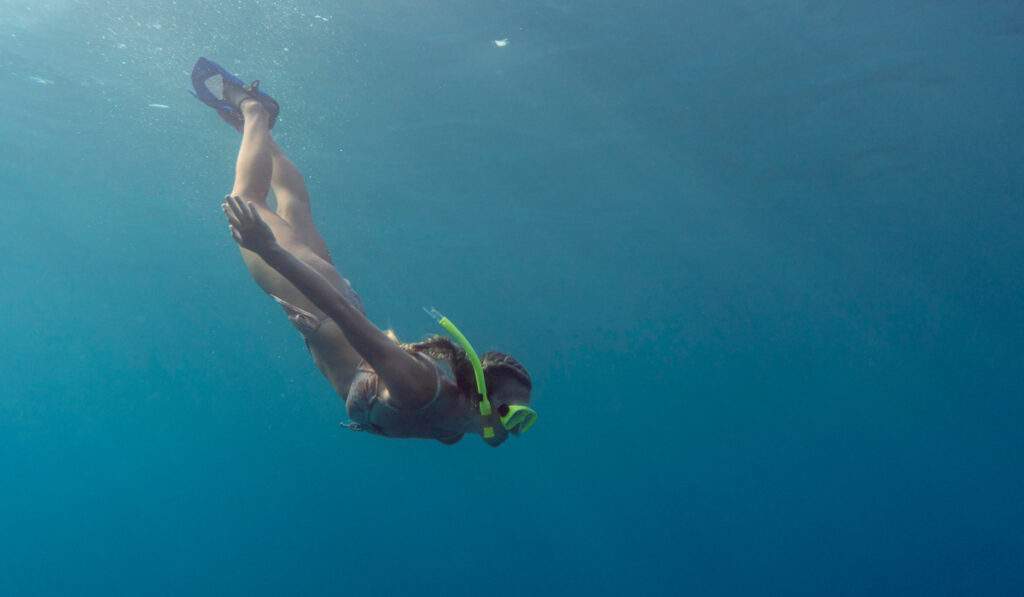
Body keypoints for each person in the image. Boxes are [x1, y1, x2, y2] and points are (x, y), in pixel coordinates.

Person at [192, 58, 535, 446]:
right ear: (481, 400)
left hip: (332, 302)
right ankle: (252, 110)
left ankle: (260, 128)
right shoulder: (417, 387)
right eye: (514, 415)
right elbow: (340, 311)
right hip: (320, 305)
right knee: (246, 203)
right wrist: (268, 251)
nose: (516, 429)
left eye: (524, 419)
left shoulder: (454, 427)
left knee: (293, 209)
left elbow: (456, 428)